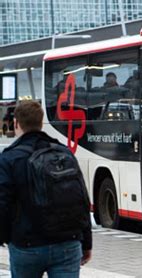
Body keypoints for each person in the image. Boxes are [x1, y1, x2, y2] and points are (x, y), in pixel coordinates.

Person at [0, 101, 92, 277]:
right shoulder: (64, 153)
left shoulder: (9, 158)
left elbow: (2, 203)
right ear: (41, 123)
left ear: (16, 123)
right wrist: (86, 243)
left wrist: (4, 237)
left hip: (26, 245)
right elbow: (82, 200)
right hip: (68, 243)